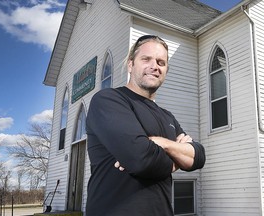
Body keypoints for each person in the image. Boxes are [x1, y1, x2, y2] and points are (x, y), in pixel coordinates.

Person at [85, 35, 206, 216]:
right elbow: (141, 159)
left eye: (161, 62)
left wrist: (161, 143)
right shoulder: (109, 100)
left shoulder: (168, 117)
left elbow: (199, 157)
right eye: (146, 59)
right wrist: (178, 154)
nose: (154, 66)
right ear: (131, 64)